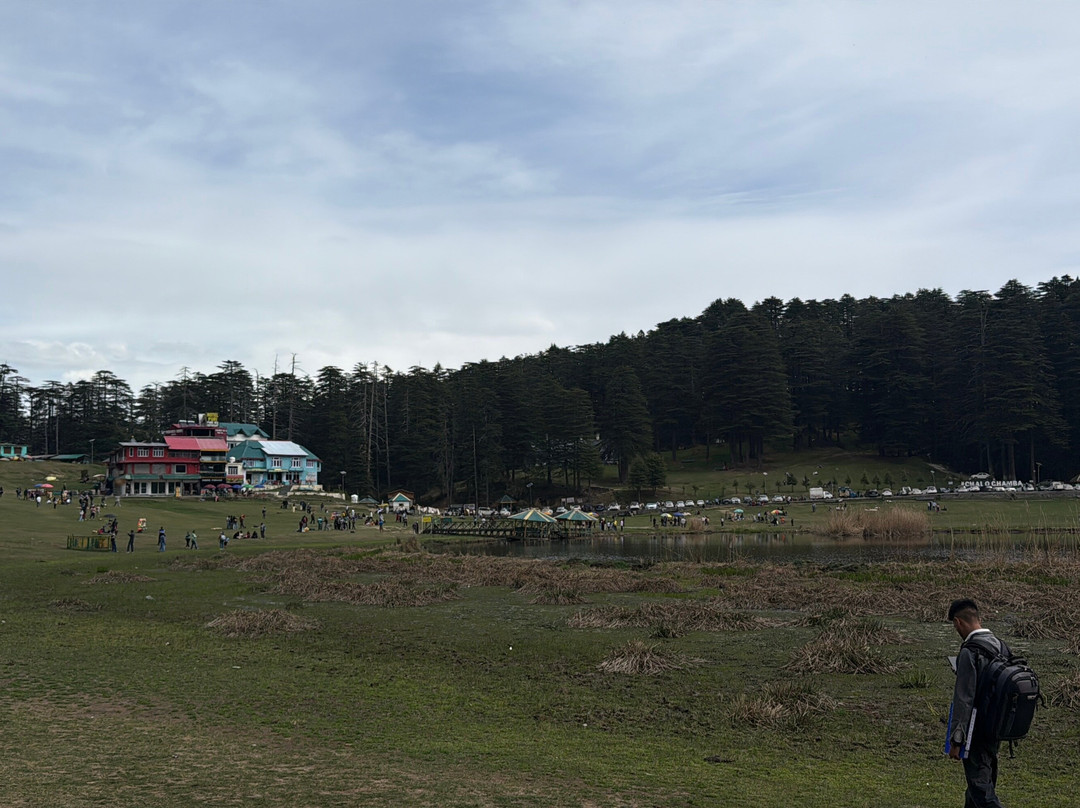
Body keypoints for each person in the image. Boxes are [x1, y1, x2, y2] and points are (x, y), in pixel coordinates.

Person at [948, 598, 1008, 808]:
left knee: (981, 789)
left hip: (975, 731)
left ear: (958, 622)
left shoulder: (969, 652)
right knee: (979, 785)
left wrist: (956, 740)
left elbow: (964, 699)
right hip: (997, 727)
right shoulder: (1001, 646)